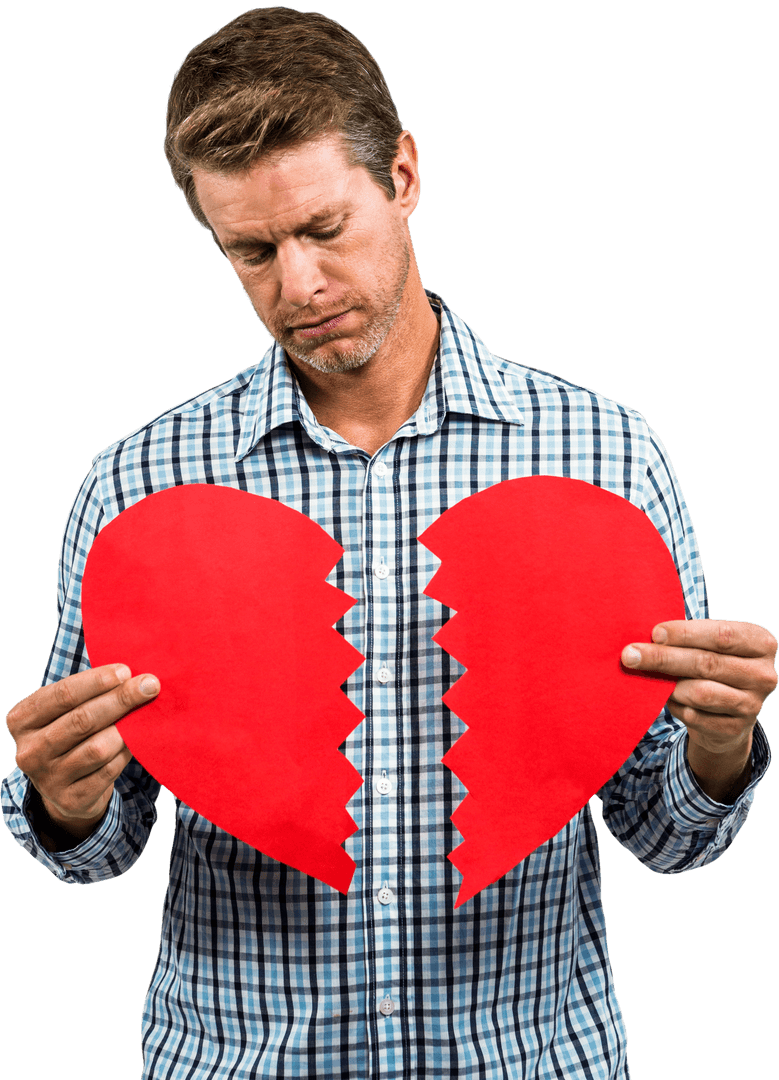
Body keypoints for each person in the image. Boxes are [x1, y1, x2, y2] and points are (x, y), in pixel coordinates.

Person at [3, 8, 776, 1079]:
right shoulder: (139, 486)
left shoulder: (606, 456)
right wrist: (64, 801)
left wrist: (720, 746)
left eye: (324, 229)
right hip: (238, 1060)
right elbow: (98, 848)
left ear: (402, 175)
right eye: (252, 251)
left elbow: (661, 831)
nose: (298, 287)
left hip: (529, 1059)